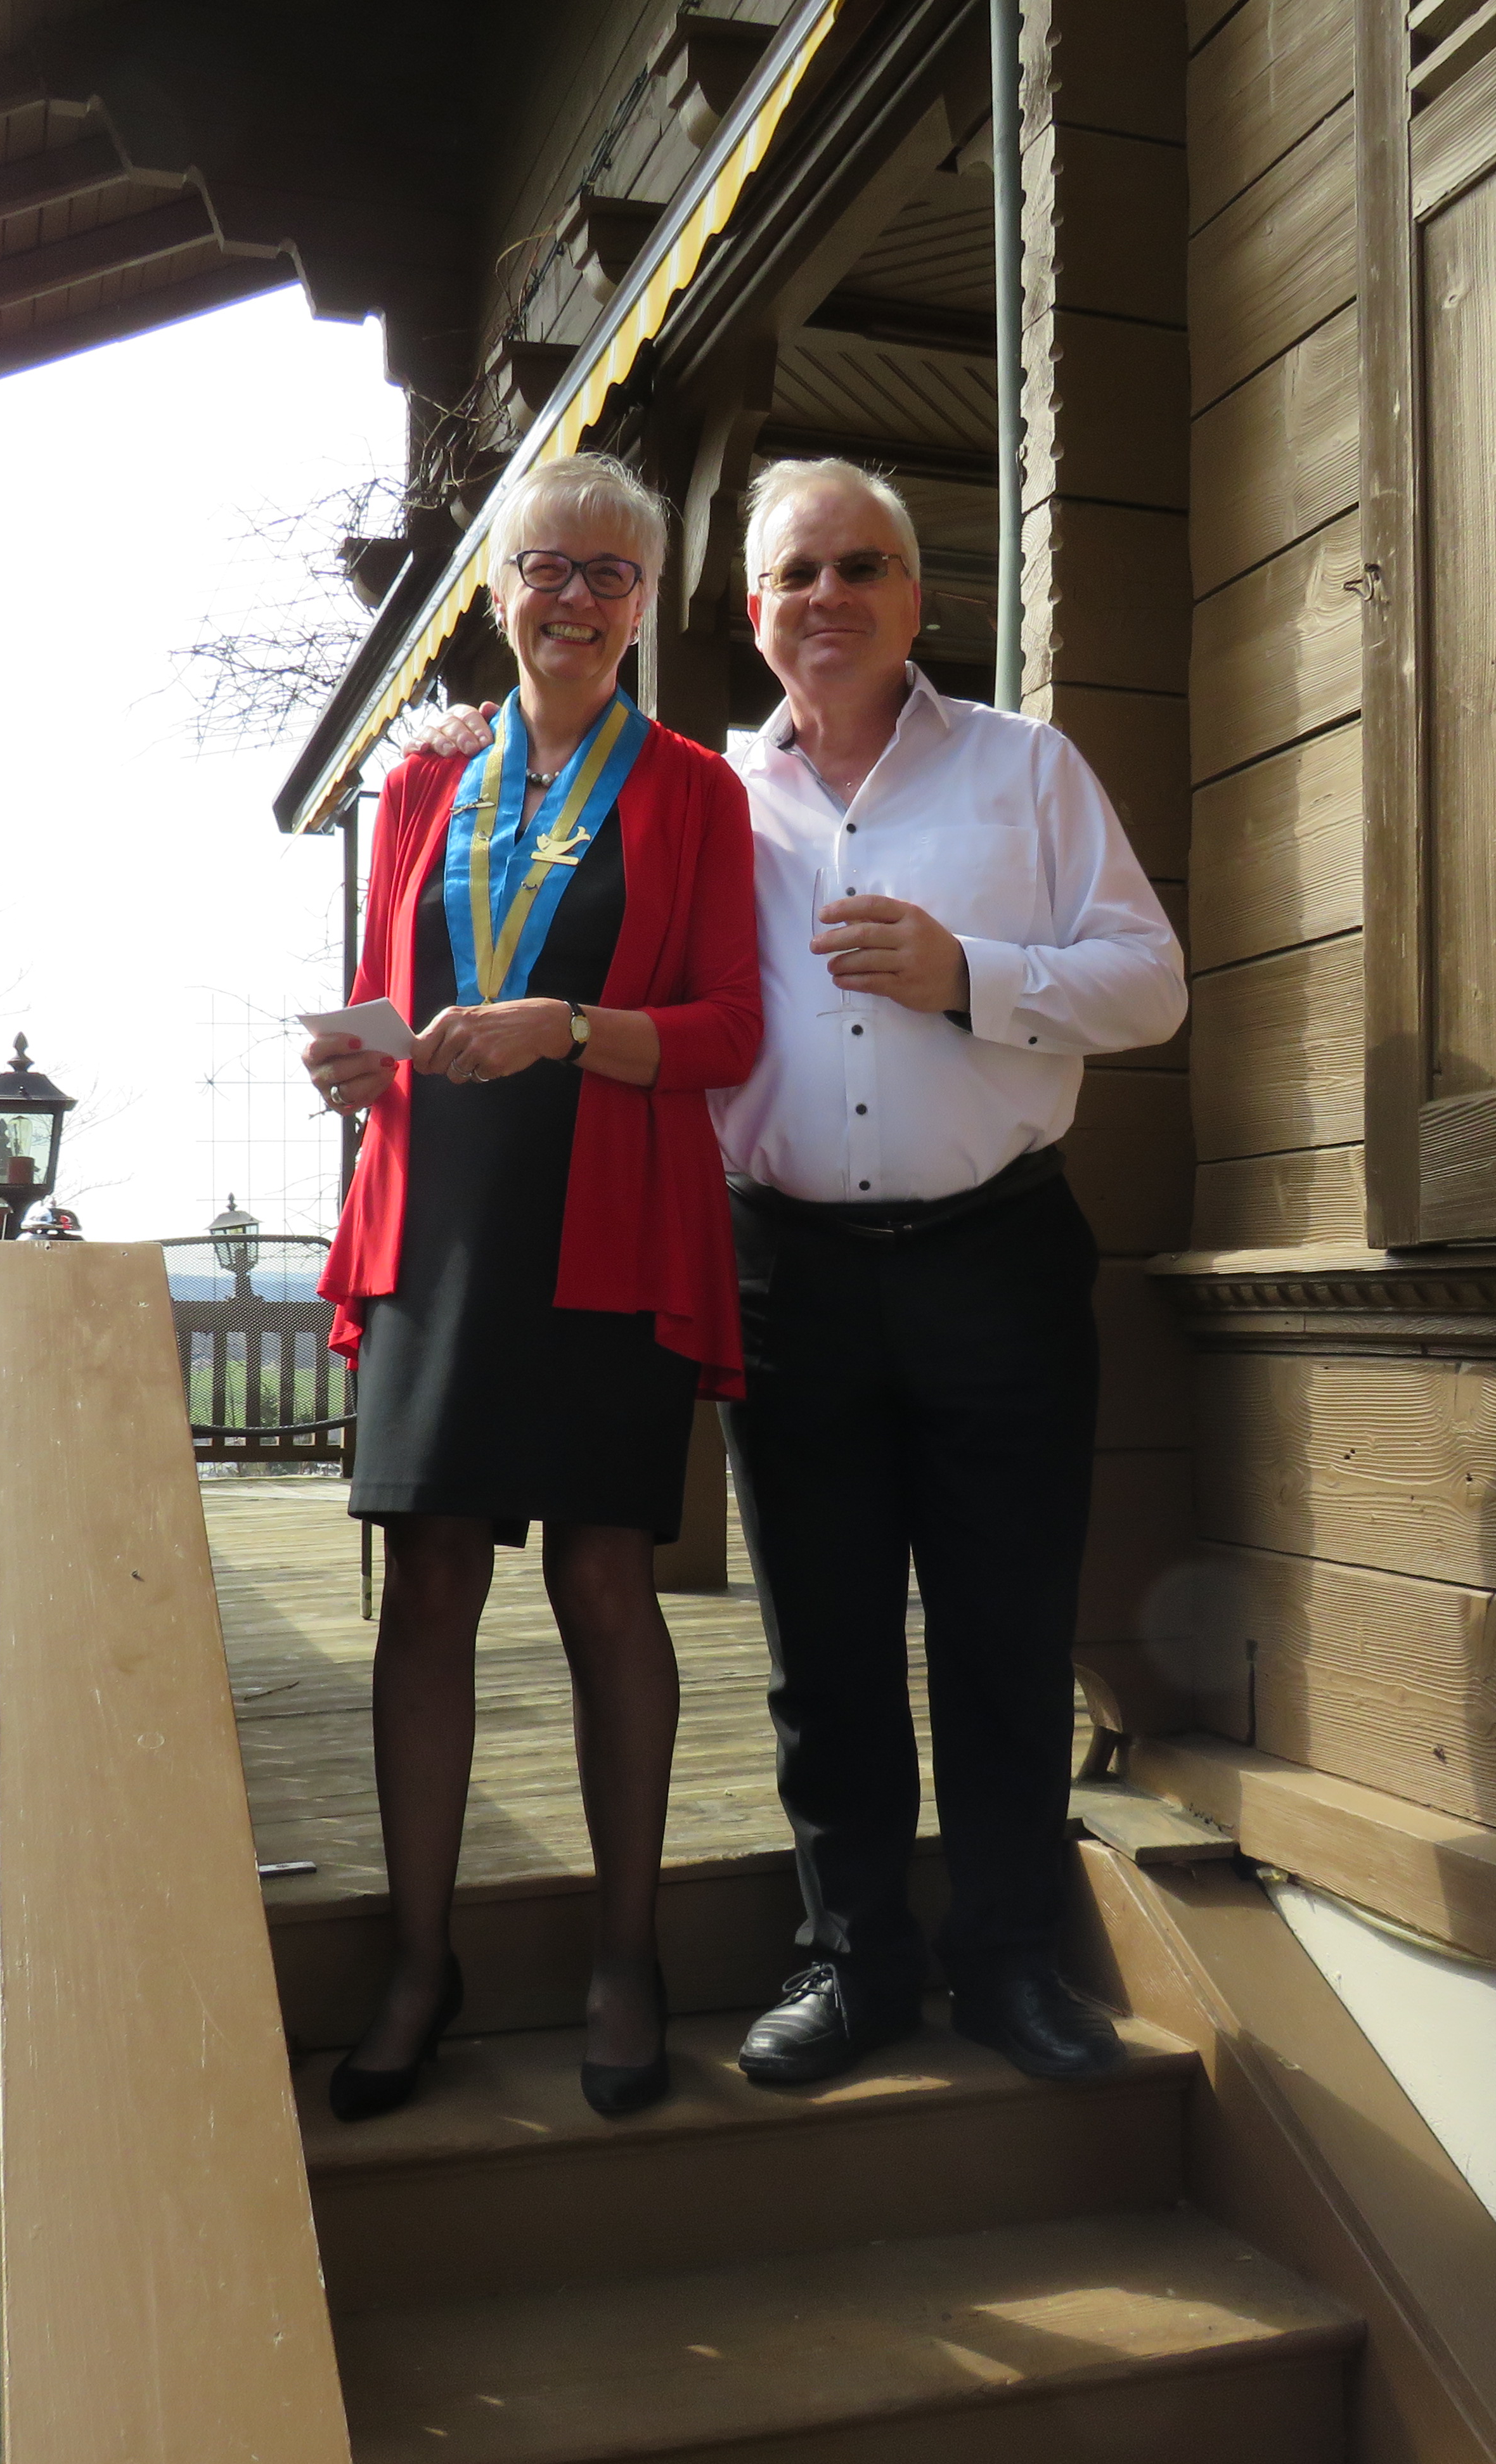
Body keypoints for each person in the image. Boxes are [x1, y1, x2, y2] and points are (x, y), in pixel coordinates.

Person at [410, 456, 1187, 2089]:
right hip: (788, 1263)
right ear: (752, 609)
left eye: (861, 566)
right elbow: (558, 862)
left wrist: (973, 973)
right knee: (820, 1643)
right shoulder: (698, 791)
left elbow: (1151, 986)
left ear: (917, 592)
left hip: (997, 1255)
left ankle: (1011, 1964)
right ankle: (852, 1963)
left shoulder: (1027, 767)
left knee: (1003, 1628)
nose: (828, 597)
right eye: (797, 575)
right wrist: (463, 739)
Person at [307, 451, 761, 2124]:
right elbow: (387, 1000)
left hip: (608, 1218)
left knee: (603, 1581)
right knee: (429, 1582)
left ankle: (625, 1958)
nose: (575, 599)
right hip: (436, 1219)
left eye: (609, 575)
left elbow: (730, 1031)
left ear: (643, 607)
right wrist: (355, 1069)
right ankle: (419, 1965)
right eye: (547, 569)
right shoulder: (424, 786)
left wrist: (563, 1027)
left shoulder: (697, 792)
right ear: (497, 593)